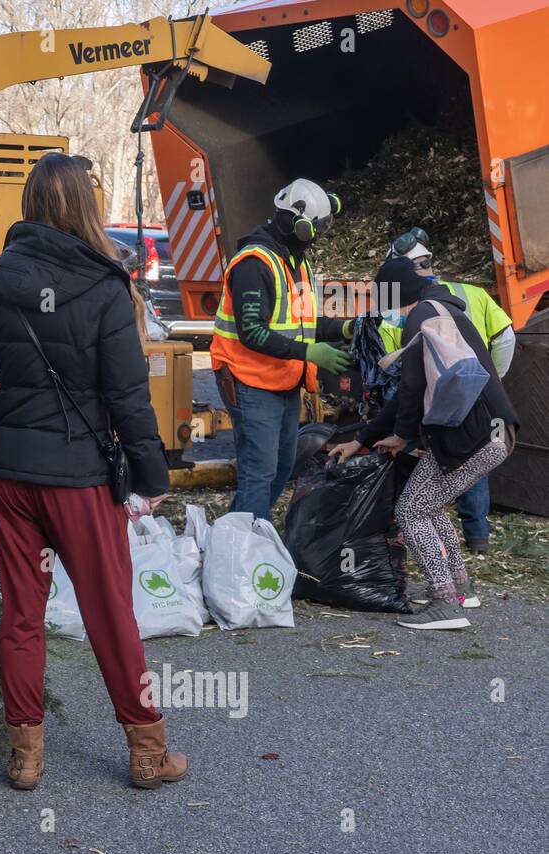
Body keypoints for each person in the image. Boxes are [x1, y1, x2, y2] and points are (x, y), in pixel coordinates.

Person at [0, 152, 186, 792]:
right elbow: (130, 398)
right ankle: (147, 751)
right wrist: (153, 476)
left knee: (21, 615)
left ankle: (25, 758)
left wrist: (8, 420)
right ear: (85, 207)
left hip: (12, 476)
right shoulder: (107, 287)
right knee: (110, 613)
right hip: (81, 478)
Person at [328, 257, 518, 630]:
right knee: (428, 507)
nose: (388, 315)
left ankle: (445, 604)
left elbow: (411, 387)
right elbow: (410, 393)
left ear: (401, 295)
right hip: (494, 432)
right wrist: (364, 438)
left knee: (411, 511)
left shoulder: (423, 318)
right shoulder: (446, 310)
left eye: (389, 304)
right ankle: (461, 589)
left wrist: (401, 434)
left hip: (471, 436)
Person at [211, 179, 356, 522]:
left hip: (282, 380)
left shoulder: (296, 262)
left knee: (280, 467)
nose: (318, 236)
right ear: (299, 225)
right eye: (315, 229)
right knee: (258, 472)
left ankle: (241, 532)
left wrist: (344, 327)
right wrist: (309, 353)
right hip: (249, 380)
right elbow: (252, 332)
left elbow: (304, 321)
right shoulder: (254, 264)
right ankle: (244, 550)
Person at [380, 227, 516, 553]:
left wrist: (399, 431)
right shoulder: (469, 294)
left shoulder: (411, 312)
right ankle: (474, 546)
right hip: (481, 416)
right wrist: (490, 381)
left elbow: (405, 382)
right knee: (452, 484)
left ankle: (446, 589)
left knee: (416, 499)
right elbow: (506, 337)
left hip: (450, 418)